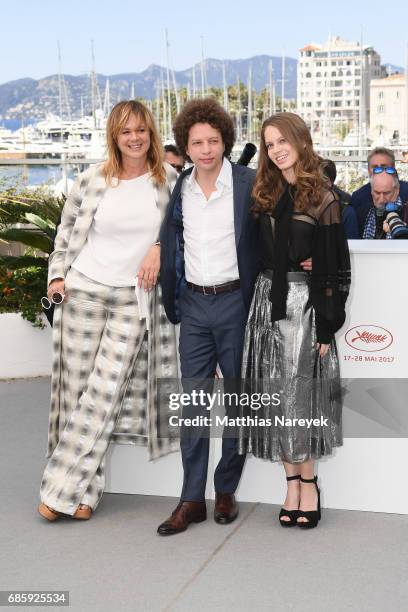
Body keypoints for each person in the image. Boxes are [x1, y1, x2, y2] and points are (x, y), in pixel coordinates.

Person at [38, 100, 179, 521]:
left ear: (150, 133)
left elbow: (180, 232)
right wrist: (57, 276)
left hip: (134, 299)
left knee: (105, 393)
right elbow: (65, 232)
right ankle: (83, 493)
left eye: (140, 130)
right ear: (114, 138)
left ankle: (56, 490)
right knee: (77, 393)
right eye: (125, 132)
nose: (134, 138)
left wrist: (157, 248)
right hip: (84, 290)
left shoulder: (169, 181)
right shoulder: (92, 180)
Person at [238, 112, 351, 529]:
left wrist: (327, 322)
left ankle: (310, 484)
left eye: (282, 140)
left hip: (305, 306)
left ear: (300, 141)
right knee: (274, 398)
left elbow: (337, 264)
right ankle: (290, 484)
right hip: (266, 304)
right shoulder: (262, 192)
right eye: (269, 144)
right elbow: (251, 252)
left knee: (301, 399)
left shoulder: (322, 196)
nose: (276, 149)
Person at [157, 98, 260, 536]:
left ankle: (225, 489)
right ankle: (190, 498)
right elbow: (168, 237)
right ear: (186, 145)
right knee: (194, 406)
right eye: (196, 142)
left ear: (225, 141)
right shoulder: (179, 187)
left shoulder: (249, 183)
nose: (205, 149)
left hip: (238, 303)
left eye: (213, 141)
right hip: (195, 305)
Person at [350, 147, 408, 237]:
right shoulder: (358, 198)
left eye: (384, 167)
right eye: (375, 168)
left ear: (393, 169)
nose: (381, 199)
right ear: (369, 170)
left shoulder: (405, 193)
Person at [363, 170, 408, 239]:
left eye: (386, 193)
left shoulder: (406, 212)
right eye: (377, 193)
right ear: (371, 191)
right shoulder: (362, 212)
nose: (381, 199)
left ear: (397, 190)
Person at [321, 159, 359, 239]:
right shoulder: (305, 206)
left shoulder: (346, 212)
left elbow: (351, 247)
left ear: (328, 182)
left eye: (313, 180)